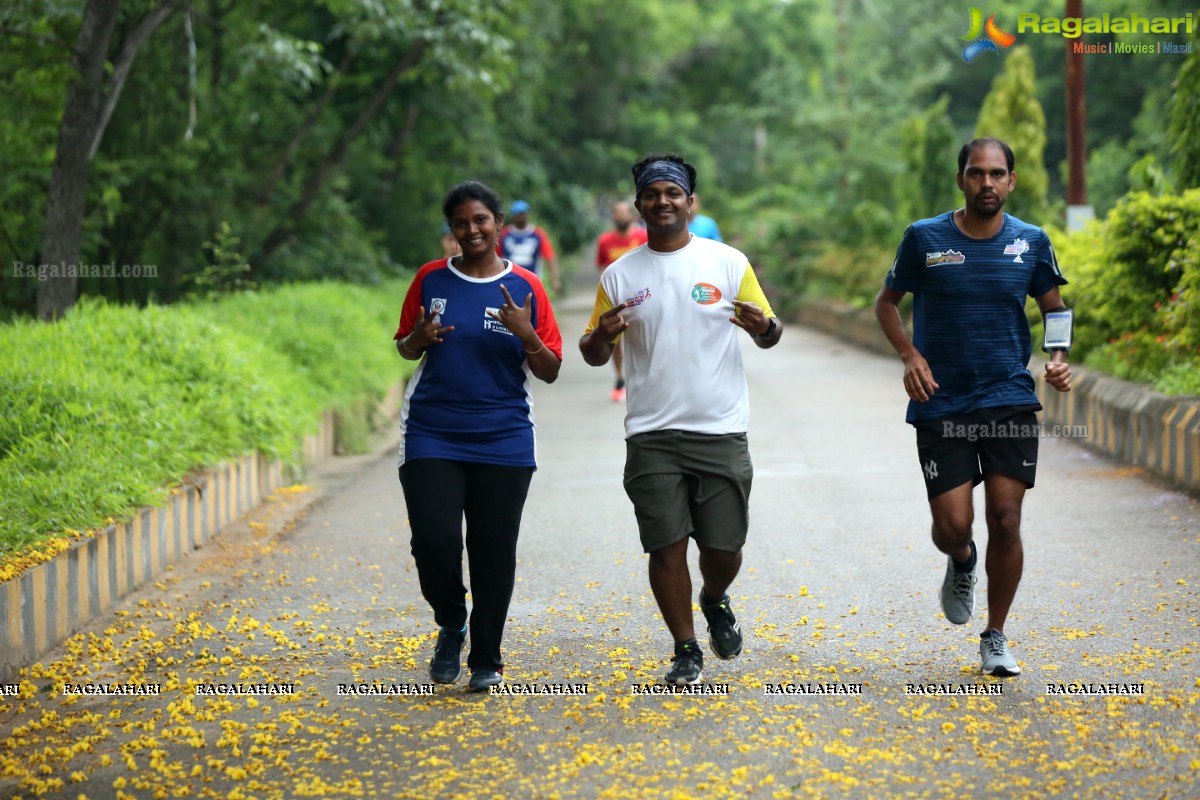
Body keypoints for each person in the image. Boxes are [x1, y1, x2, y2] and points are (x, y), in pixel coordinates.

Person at [580, 153, 782, 685]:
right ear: (640, 203)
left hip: (719, 429)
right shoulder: (620, 274)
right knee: (664, 544)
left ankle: (713, 598)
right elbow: (593, 351)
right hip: (651, 433)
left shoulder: (728, 262)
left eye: (673, 193)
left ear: (690, 202)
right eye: (652, 194)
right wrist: (601, 334)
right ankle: (685, 647)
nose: (662, 202)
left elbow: (768, 330)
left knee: (724, 548)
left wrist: (764, 327)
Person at [873, 137, 1072, 677]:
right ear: (961, 178)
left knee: (1006, 519)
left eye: (997, 174)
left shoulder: (1032, 242)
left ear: (1012, 180)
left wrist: (1057, 357)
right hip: (942, 403)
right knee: (953, 526)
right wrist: (909, 354)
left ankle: (996, 635)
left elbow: (1055, 308)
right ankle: (961, 561)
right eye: (977, 173)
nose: (988, 183)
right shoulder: (924, 237)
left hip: (1008, 398)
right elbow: (886, 303)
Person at [394, 180, 563, 692]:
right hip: (432, 432)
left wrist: (525, 331)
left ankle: (487, 657)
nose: (472, 230)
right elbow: (405, 345)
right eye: (461, 223)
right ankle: (452, 623)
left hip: (504, 436)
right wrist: (416, 341)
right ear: (453, 229)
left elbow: (551, 369)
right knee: (435, 543)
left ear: (499, 225)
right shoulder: (429, 279)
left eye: (481, 220)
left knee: (493, 549)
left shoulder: (527, 288)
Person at [593, 200, 648, 402]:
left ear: (633, 215)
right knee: (615, 340)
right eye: (618, 212)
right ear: (613, 216)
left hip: (643, 295)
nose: (622, 215)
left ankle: (644, 377)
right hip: (616, 299)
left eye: (626, 211)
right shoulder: (605, 240)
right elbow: (601, 268)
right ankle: (620, 378)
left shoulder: (643, 236)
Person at [498, 199, 561, 293]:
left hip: (532, 282)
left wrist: (555, 279)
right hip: (508, 283)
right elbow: (496, 256)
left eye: (522, 213)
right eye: (517, 214)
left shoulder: (538, 234)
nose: (520, 217)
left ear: (527, 214)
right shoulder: (504, 235)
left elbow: (550, 257)